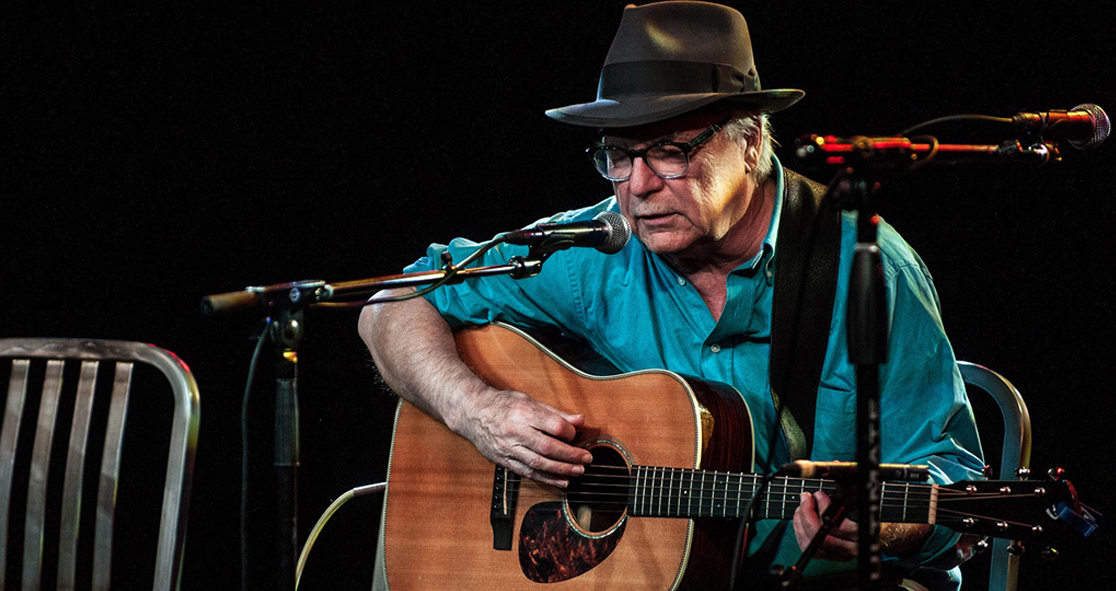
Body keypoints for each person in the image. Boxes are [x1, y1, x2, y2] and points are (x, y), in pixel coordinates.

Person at [359, 2, 984, 589]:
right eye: (618, 155)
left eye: (669, 151)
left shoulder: (866, 269)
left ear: (750, 143)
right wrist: (475, 411)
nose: (637, 186)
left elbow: (952, 482)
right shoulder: (593, 252)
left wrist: (887, 525)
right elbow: (394, 302)